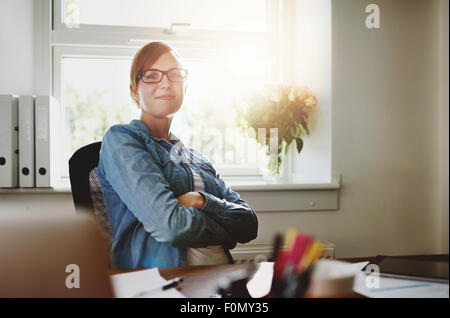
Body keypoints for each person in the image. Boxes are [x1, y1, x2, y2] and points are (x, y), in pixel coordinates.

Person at [97, 41, 258, 269]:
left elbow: (249, 224)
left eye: (175, 75)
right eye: (152, 76)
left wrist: (200, 201)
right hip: (162, 285)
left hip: (222, 285)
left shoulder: (197, 158)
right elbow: (172, 227)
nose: (165, 83)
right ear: (134, 89)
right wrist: (225, 233)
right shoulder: (122, 140)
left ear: (185, 87)